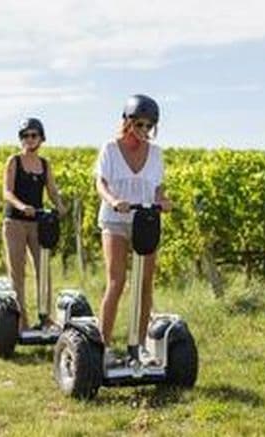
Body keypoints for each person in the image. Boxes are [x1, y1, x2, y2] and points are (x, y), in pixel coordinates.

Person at [94, 94, 172, 365]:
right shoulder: (110, 149)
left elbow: (158, 187)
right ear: (127, 121)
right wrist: (114, 200)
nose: (144, 131)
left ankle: (137, 347)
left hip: (145, 219)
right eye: (139, 125)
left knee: (145, 284)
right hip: (115, 220)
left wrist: (163, 201)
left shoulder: (157, 153)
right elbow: (100, 183)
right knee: (117, 281)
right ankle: (102, 347)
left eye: (149, 126)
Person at [3, 118, 67, 332]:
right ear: (21, 139)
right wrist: (21, 206)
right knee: (17, 271)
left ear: (41, 138)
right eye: (26, 136)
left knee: (43, 268)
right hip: (15, 222)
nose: (30, 139)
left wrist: (59, 205)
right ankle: (20, 320)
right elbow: (7, 192)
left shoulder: (45, 164)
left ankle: (45, 316)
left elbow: (52, 189)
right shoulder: (14, 161)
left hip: (38, 222)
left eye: (34, 135)